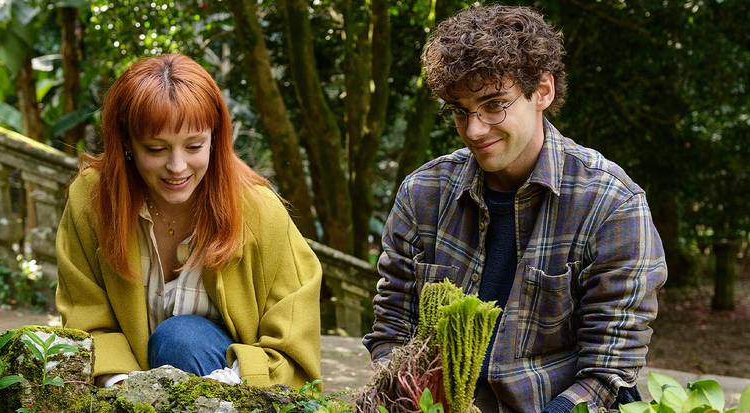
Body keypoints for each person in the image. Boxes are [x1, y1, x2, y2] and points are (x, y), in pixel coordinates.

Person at [363, 5, 667, 413]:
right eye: (460, 110)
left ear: (543, 90)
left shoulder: (611, 205)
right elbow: (392, 329)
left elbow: (607, 373)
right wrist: (411, 398)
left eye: (493, 105)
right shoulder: (423, 194)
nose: (474, 129)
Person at [55, 54, 322, 389]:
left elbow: (292, 342)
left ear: (216, 138)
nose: (177, 166)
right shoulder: (92, 200)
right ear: (127, 143)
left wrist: (231, 386)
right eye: (156, 149)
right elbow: (85, 317)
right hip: (131, 388)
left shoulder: (259, 211)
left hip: (233, 390)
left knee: (180, 339)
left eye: (194, 146)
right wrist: (126, 391)